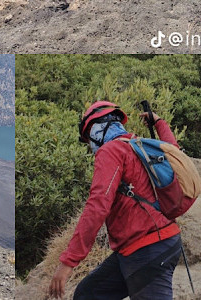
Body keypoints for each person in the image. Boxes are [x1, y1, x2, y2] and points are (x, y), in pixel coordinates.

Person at [48, 101, 183, 299]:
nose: (89, 145)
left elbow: (97, 206)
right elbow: (174, 152)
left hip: (148, 249)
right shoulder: (138, 145)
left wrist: (69, 262)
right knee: (88, 294)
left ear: (95, 130)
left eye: (88, 139)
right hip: (150, 246)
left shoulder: (111, 151)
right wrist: (160, 123)